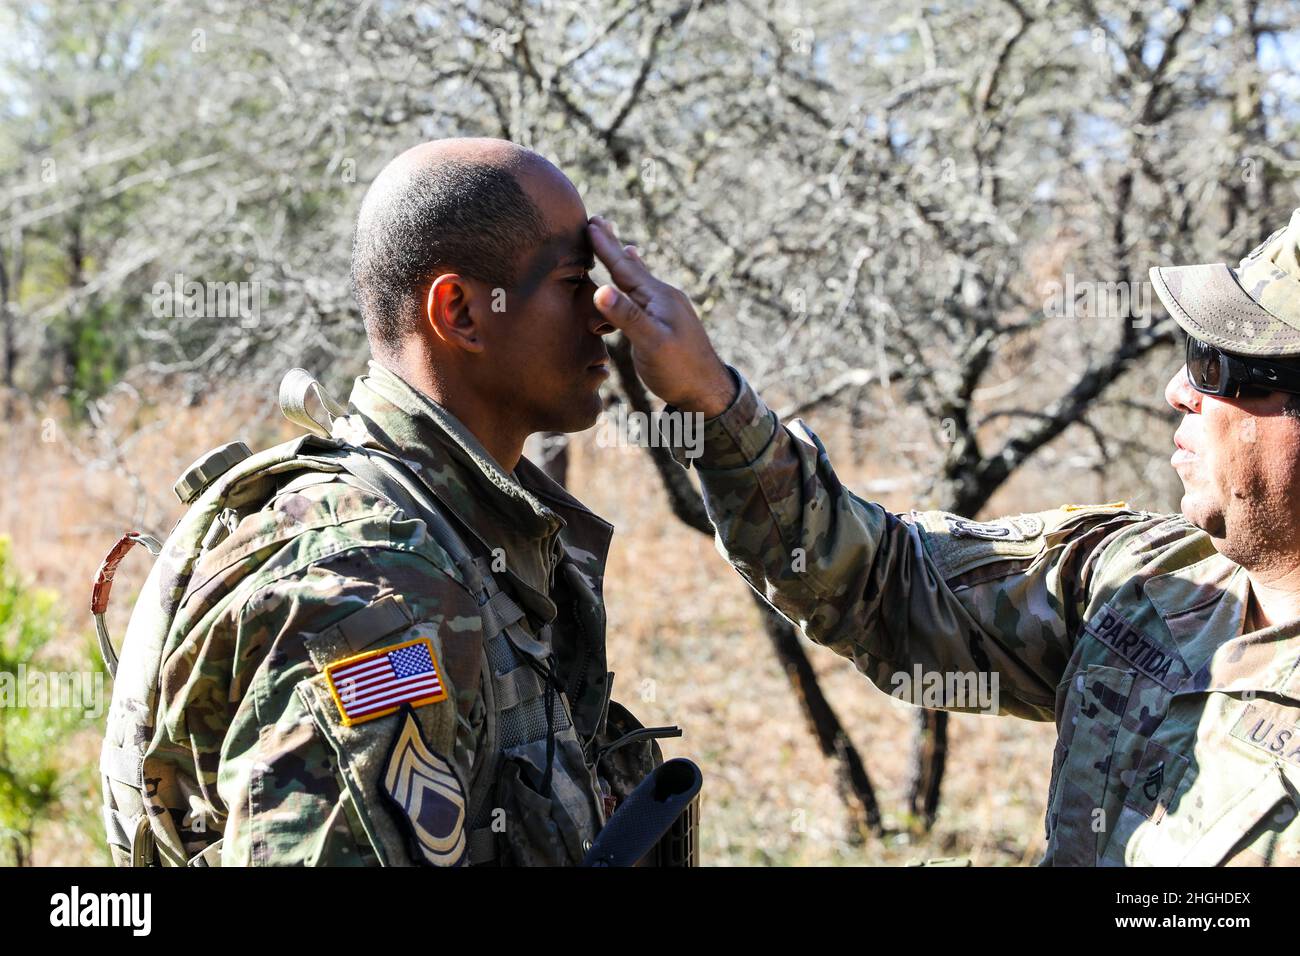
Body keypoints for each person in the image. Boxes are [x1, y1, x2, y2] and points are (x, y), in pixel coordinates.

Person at [584, 207, 1300, 865]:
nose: (1179, 387)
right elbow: (880, 582)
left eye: (1217, 365)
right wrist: (712, 399)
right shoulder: (1136, 576)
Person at [100, 138, 673, 867]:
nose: (604, 314)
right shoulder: (373, 590)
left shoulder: (459, 531)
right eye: (571, 284)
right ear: (461, 311)